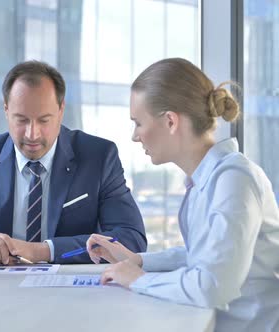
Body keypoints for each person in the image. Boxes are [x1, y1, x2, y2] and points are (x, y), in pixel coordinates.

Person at [87, 58, 279, 331]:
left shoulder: (235, 179)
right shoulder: (208, 179)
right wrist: (136, 260)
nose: (135, 136)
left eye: (138, 123)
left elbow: (212, 285)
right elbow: (201, 255)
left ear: (170, 121)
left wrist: (138, 279)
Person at [0, 60, 146, 265]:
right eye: (21, 120)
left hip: (73, 296)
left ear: (61, 111)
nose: (32, 134)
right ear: (6, 110)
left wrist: (41, 251)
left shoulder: (98, 156)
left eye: (43, 120)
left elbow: (130, 237)